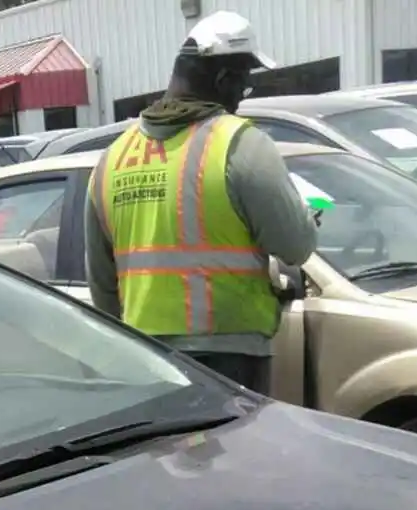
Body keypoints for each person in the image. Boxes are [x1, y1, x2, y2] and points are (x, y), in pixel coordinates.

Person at [85, 11, 317, 392]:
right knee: (237, 452)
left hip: (148, 360)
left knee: (165, 454)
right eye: (243, 86)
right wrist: (307, 217)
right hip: (231, 359)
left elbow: (102, 286)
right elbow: (296, 245)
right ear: (224, 80)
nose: (243, 99)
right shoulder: (238, 144)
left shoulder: (112, 159)